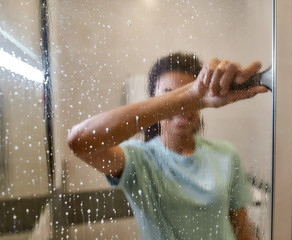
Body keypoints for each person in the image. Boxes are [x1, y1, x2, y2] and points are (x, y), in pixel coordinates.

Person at [67, 52, 267, 239]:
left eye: (194, 98)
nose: (184, 107)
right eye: (171, 96)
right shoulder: (138, 158)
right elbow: (80, 141)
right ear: (155, 101)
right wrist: (190, 94)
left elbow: (243, 231)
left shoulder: (226, 154)